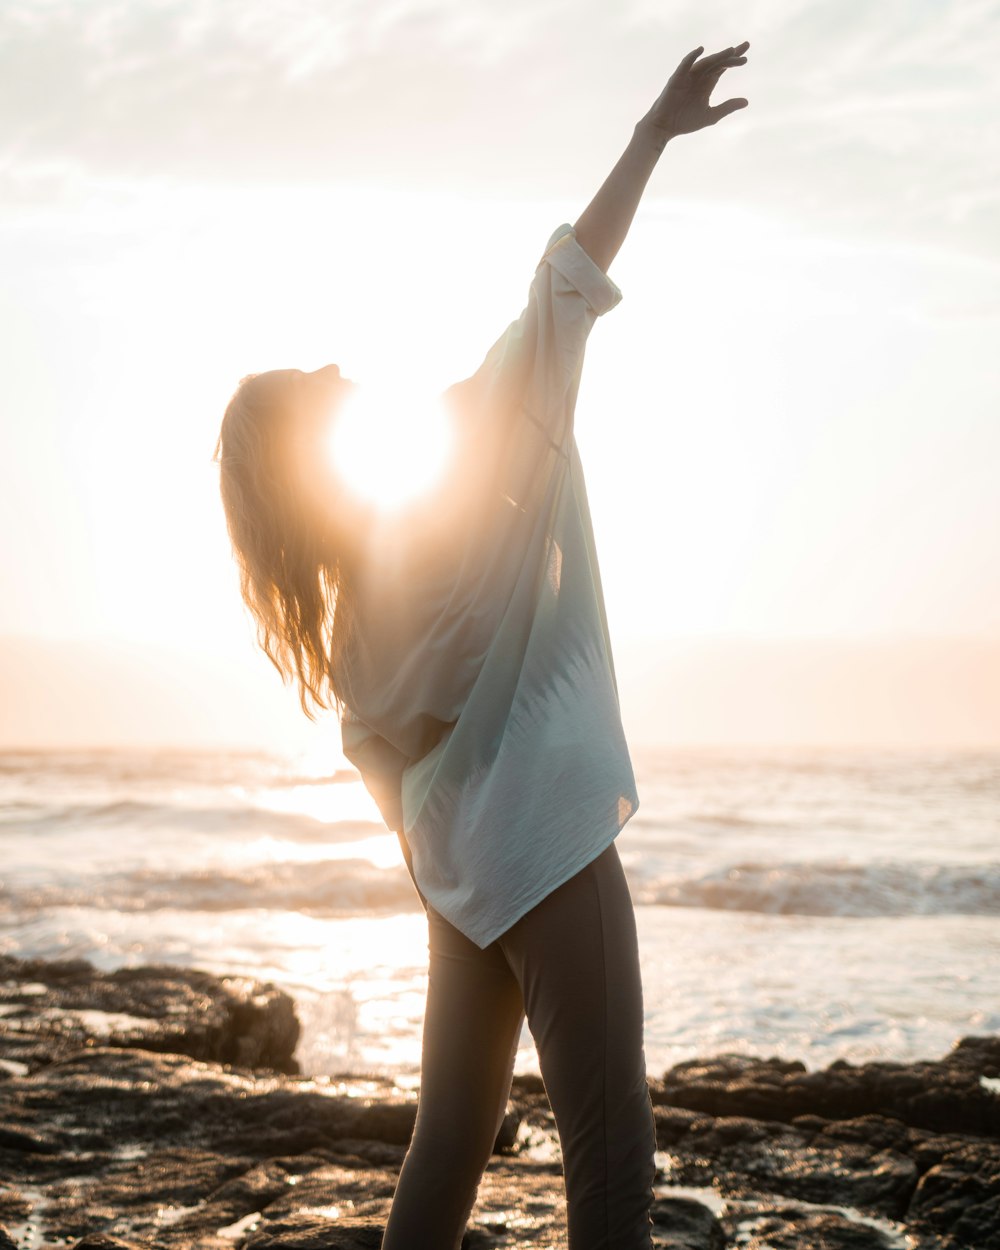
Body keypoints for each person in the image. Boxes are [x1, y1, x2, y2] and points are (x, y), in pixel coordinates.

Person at [214, 39, 749, 1250]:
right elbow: (560, 288)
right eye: (318, 375)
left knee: (450, 1137)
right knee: (610, 1148)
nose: (342, 364)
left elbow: (392, 777)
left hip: (465, 887)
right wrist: (648, 138)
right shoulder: (447, 471)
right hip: (548, 857)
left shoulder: (351, 608)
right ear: (312, 440)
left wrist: (460, 867)